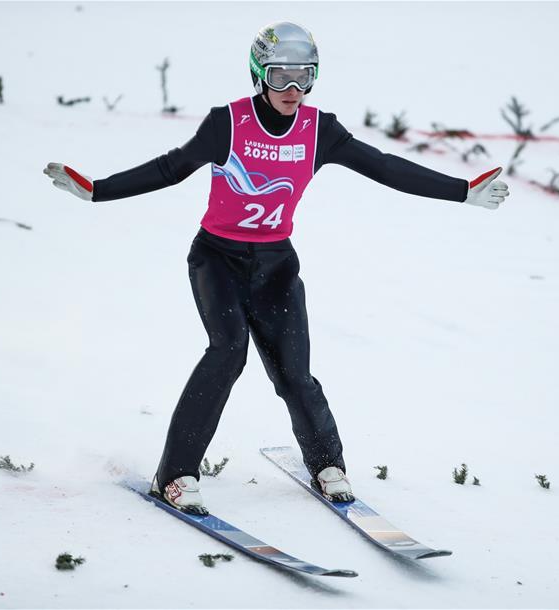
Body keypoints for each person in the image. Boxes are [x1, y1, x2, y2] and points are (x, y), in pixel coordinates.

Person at [44, 21, 510, 515]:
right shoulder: (227, 122)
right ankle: (176, 475)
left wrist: (462, 191)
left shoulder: (319, 131)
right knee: (227, 353)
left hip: (276, 265)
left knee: (294, 373)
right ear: (258, 73)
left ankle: (328, 465)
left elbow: (385, 167)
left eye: (303, 77)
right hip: (217, 258)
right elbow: (169, 168)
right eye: (281, 75)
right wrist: (98, 190)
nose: (292, 89)